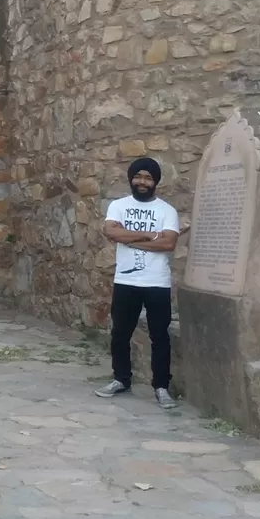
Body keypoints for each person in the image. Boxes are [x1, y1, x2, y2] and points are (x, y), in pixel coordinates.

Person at [95, 157, 180, 408]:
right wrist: (148, 234)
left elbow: (169, 243)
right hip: (126, 280)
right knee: (120, 333)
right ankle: (121, 379)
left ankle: (161, 386)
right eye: (139, 177)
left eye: (148, 178)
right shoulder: (118, 206)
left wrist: (128, 239)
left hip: (157, 283)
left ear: (155, 182)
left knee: (159, 336)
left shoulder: (167, 210)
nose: (143, 182)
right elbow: (111, 232)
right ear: (131, 178)